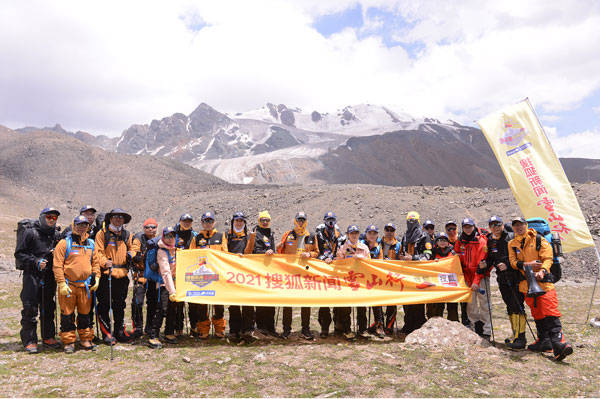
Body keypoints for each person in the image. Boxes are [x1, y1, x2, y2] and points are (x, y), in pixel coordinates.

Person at [508, 217, 573, 361]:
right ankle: (544, 342)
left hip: (543, 283)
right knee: (537, 313)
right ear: (513, 228)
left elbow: (548, 258)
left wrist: (542, 270)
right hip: (526, 285)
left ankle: (559, 344)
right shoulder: (512, 244)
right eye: (515, 225)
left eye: (521, 225)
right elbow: (513, 262)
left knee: (549, 311)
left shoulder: (538, 239)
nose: (518, 227)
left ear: (526, 225)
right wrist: (528, 264)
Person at [15, 207, 63, 353]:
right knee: (30, 307)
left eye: (54, 218)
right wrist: (35, 261)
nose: (51, 220)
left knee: (48, 306)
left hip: (49, 276)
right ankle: (30, 340)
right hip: (32, 275)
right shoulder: (30, 232)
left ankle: (48, 337)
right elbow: (19, 253)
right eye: (49, 216)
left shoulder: (56, 235)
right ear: (42, 217)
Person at [52, 216, 101, 352]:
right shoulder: (64, 243)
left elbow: (95, 263)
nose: (81, 227)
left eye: (84, 225)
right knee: (67, 314)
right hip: (69, 285)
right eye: (79, 225)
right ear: (74, 225)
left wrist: (97, 277)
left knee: (85, 314)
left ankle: (85, 339)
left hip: (85, 286)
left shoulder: (91, 244)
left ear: (88, 227)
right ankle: (68, 341)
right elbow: (57, 266)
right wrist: (61, 283)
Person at [484, 216, 526, 349]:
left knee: (517, 305)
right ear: (490, 227)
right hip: (502, 278)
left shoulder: (512, 237)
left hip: (516, 277)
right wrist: (484, 265)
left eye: (498, 225)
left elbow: (520, 257)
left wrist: (507, 264)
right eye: (493, 225)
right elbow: (491, 257)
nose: (496, 228)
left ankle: (521, 337)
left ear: (503, 225)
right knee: (509, 305)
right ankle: (515, 334)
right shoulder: (490, 240)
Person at [94, 208, 135, 344]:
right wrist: (104, 262)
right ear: (110, 219)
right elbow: (98, 252)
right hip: (107, 275)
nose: (118, 219)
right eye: (115, 217)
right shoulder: (102, 234)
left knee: (120, 305)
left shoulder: (127, 234)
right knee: (104, 305)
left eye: (121, 217)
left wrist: (132, 254)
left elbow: (134, 247)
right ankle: (107, 333)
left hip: (122, 276)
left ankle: (119, 332)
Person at [276, 212, 318, 340]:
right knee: (287, 302)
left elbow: (317, 252)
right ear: (295, 220)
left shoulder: (311, 235)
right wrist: (278, 246)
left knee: (305, 301)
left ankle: (305, 329)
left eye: (302, 220)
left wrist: (310, 254)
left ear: (306, 221)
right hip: (289, 273)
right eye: (298, 219)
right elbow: (280, 251)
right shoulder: (288, 234)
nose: (300, 222)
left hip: (305, 274)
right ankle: (286, 330)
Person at [190, 212, 228, 339]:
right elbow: (190, 255)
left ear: (214, 222)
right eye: (205, 221)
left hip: (217, 276)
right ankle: (203, 330)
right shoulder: (197, 238)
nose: (208, 223)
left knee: (218, 304)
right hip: (202, 277)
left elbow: (225, 253)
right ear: (201, 223)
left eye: (210, 221)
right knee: (202, 305)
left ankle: (219, 329)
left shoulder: (221, 236)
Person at [454, 218, 491, 339]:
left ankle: (486, 331)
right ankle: (475, 329)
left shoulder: (481, 241)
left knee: (485, 304)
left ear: (474, 227)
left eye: (470, 226)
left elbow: (482, 263)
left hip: (481, 277)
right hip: (467, 277)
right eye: (465, 227)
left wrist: (476, 281)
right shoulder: (460, 241)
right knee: (471, 305)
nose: (468, 229)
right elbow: (456, 256)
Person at [226, 212, 258, 343]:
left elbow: (252, 252)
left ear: (244, 222)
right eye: (236, 220)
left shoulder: (249, 235)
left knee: (247, 301)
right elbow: (223, 251)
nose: (239, 222)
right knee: (233, 303)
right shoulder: (227, 235)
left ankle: (248, 330)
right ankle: (234, 331)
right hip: (231, 272)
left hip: (246, 273)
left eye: (241, 220)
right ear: (233, 221)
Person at [399, 211, 432, 335]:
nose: (411, 224)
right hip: (406, 273)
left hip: (420, 273)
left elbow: (428, 255)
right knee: (406, 300)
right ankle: (408, 324)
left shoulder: (424, 236)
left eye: (413, 221)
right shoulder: (405, 236)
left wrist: (412, 258)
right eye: (409, 221)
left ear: (418, 222)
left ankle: (418, 325)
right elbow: (402, 253)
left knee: (418, 301)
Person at [245, 211, 277, 337]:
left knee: (270, 299)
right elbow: (253, 250)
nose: (265, 222)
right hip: (258, 269)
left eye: (267, 220)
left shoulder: (271, 233)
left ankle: (270, 327)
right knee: (260, 299)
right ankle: (261, 326)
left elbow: (273, 249)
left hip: (269, 270)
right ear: (259, 220)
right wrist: (265, 252)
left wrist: (272, 252)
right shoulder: (255, 233)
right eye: (262, 220)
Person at [335, 224, 369, 340]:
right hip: (347, 281)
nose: (354, 235)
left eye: (356, 233)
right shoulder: (343, 247)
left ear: (359, 234)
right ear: (348, 235)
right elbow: (338, 263)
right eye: (351, 233)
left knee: (362, 307)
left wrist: (362, 259)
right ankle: (347, 330)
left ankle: (362, 330)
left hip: (361, 282)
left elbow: (370, 263)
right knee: (346, 307)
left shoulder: (364, 247)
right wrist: (340, 257)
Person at [147, 227, 178, 349]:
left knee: (172, 309)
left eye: (172, 236)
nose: (170, 239)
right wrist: (172, 291)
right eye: (168, 236)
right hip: (164, 285)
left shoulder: (175, 249)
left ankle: (169, 332)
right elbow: (166, 272)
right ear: (163, 237)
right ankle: (153, 336)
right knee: (161, 309)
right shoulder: (161, 251)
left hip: (175, 284)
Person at [129, 218, 159, 340]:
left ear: (156, 228)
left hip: (153, 276)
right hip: (140, 276)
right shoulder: (138, 238)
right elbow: (133, 250)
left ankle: (150, 328)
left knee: (152, 303)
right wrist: (136, 256)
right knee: (137, 302)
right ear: (143, 228)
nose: (150, 229)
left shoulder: (160, 240)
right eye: (147, 227)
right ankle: (137, 327)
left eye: (153, 227)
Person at [315, 211, 341, 338]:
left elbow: (341, 250)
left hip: (336, 270)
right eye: (328, 219)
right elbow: (317, 251)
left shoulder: (339, 234)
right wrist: (324, 258)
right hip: (323, 269)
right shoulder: (319, 234)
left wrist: (336, 258)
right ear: (324, 220)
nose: (330, 222)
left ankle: (338, 326)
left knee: (337, 298)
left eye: (332, 219)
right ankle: (324, 328)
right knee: (324, 300)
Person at [173, 213, 196, 337]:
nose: (187, 223)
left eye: (189, 221)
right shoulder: (173, 235)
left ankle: (194, 328)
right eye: (184, 221)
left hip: (192, 272)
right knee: (179, 303)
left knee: (193, 302)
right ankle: (178, 329)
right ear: (180, 221)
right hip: (177, 272)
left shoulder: (195, 235)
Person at [361, 225, 385, 338]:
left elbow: (381, 263)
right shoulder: (360, 245)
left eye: (374, 233)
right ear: (366, 234)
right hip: (361, 279)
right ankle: (361, 327)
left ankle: (379, 326)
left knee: (377, 302)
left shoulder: (379, 247)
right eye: (370, 233)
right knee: (361, 302)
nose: (372, 235)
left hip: (374, 279)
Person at [427, 232, 457, 320]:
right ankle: (437, 325)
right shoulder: (432, 252)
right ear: (436, 242)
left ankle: (453, 324)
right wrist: (433, 262)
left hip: (451, 283)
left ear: (448, 242)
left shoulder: (453, 251)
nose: (442, 242)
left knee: (452, 306)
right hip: (437, 283)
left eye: (444, 240)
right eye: (440, 240)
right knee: (438, 306)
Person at [380, 223, 402, 335]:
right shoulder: (378, 242)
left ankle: (389, 326)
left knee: (392, 302)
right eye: (387, 229)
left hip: (392, 277)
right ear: (384, 230)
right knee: (377, 300)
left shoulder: (398, 245)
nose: (389, 232)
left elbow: (400, 260)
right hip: (378, 276)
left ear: (394, 231)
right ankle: (379, 324)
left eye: (391, 230)